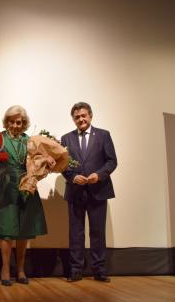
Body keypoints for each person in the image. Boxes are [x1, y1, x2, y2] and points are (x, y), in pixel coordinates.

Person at [0, 105, 47, 286]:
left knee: (23, 230)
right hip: (5, 186)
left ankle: (20, 269)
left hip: (26, 187)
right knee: (6, 231)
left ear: (24, 123)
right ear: (6, 122)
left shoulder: (30, 141)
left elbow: (36, 163)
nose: (15, 125)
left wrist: (47, 161)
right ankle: (5, 269)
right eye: (11, 121)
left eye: (18, 122)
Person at [61, 102, 117, 283]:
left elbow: (111, 161)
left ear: (91, 116)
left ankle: (99, 270)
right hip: (75, 191)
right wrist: (71, 177)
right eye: (77, 117)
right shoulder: (66, 139)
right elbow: (62, 165)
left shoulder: (103, 135)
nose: (81, 119)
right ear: (73, 119)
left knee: (97, 232)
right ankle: (76, 270)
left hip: (98, 190)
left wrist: (99, 175)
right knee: (75, 233)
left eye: (84, 115)